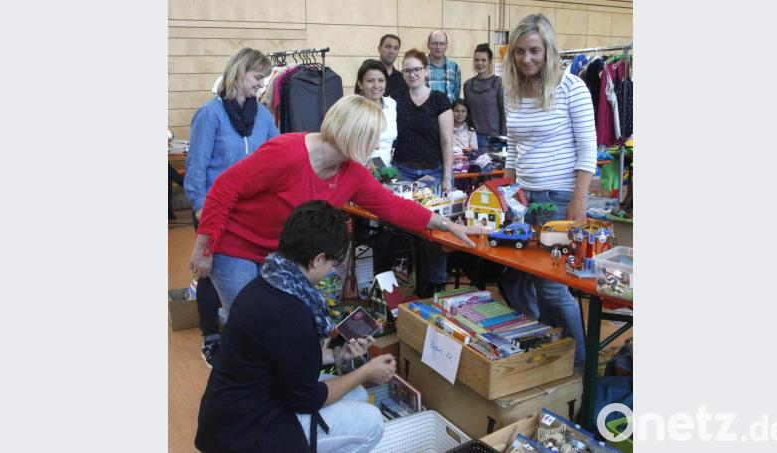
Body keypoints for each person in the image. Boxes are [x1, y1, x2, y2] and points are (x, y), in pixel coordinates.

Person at [189, 94, 486, 314]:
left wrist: (447, 224)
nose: (376, 146)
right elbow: (223, 190)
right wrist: (204, 249)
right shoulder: (287, 152)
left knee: (274, 323)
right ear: (354, 135)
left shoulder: (352, 173)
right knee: (247, 324)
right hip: (234, 246)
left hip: (280, 255)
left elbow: (392, 206)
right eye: (372, 138)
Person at [195, 200, 396, 453]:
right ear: (318, 259)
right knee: (372, 423)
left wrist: (338, 355)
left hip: (229, 416)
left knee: (354, 394)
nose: (331, 272)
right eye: (332, 265)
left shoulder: (270, 281)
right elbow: (307, 399)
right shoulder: (291, 312)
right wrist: (366, 371)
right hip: (247, 433)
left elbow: (287, 356)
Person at [497, 14, 597, 368]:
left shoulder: (572, 88)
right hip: (523, 200)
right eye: (520, 51)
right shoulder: (511, 89)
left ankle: (581, 361)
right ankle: (544, 347)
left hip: (558, 200)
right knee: (517, 278)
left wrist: (578, 201)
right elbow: (512, 146)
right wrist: (506, 190)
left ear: (549, 49)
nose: (527, 59)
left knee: (553, 286)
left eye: (535, 51)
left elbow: (588, 150)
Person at [184, 47, 281, 367]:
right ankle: (211, 337)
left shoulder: (263, 116)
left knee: (246, 283)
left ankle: (245, 337)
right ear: (239, 72)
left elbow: (277, 156)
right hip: (213, 211)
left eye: (265, 79)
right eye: (257, 77)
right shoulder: (210, 114)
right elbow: (196, 170)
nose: (261, 84)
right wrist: (201, 212)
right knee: (209, 274)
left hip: (251, 217)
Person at [391, 49, 455, 297]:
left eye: (417, 69)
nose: (412, 74)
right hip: (404, 171)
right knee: (406, 229)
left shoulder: (440, 99)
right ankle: (413, 281)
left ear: (426, 71)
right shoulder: (396, 99)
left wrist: (447, 177)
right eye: (407, 70)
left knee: (434, 230)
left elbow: (447, 141)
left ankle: (436, 281)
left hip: (433, 171)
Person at [463, 43, 506, 150]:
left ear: (490, 62)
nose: (479, 63)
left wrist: (504, 140)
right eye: (476, 60)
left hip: (495, 140)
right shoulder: (468, 85)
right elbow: (467, 115)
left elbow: (504, 114)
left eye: (483, 60)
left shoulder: (499, 83)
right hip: (473, 139)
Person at [354, 59, 396, 167]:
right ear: (360, 84)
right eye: (370, 81)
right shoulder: (352, 109)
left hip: (386, 172)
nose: (376, 85)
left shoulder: (391, 105)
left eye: (381, 80)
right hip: (359, 170)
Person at [426, 31, 461, 103]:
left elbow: (456, 95)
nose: (438, 47)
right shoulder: (420, 66)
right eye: (434, 43)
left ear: (446, 46)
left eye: (441, 44)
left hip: (448, 112)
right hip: (425, 113)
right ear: (428, 45)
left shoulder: (454, 67)